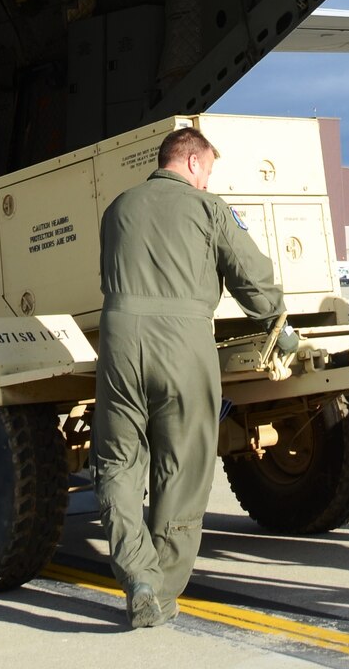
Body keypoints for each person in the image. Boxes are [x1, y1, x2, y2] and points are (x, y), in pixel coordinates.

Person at [93, 124, 287, 628]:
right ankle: (159, 588)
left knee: (117, 463)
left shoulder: (117, 209)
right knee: (183, 466)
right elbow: (252, 276)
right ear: (194, 162)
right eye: (208, 172)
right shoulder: (209, 208)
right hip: (182, 343)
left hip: (117, 342)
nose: (207, 181)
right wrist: (274, 320)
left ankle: (135, 573)